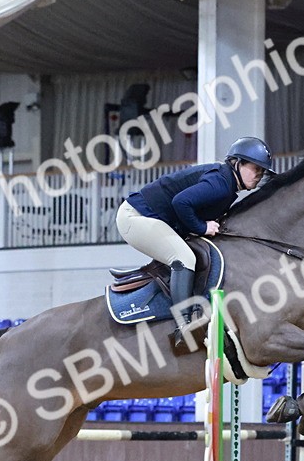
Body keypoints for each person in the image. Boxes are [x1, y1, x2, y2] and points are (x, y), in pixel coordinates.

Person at [115, 136, 275, 352]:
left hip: (152, 217)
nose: (259, 175)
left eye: (262, 171)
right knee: (184, 258)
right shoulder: (220, 184)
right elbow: (180, 202)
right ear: (237, 163)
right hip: (135, 217)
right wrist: (201, 227)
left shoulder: (227, 184)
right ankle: (183, 325)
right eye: (256, 168)